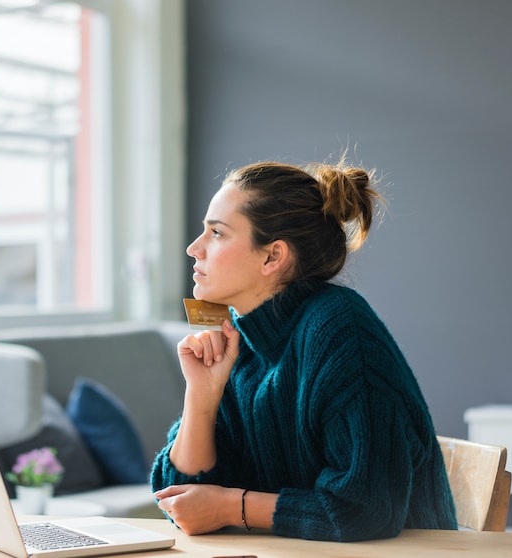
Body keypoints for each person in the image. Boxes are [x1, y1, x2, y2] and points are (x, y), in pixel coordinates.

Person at [150, 157, 458, 542]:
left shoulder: (340, 329)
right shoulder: (237, 342)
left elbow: (366, 509)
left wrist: (231, 506)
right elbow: (179, 499)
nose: (194, 248)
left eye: (217, 233)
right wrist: (202, 394)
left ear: (272, 256)